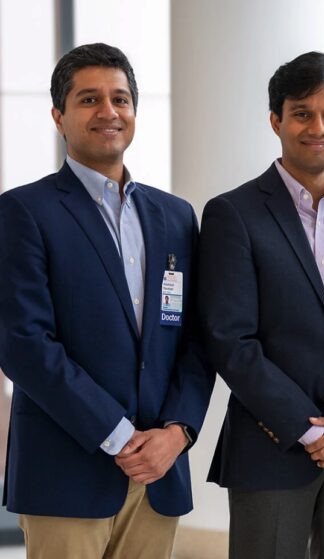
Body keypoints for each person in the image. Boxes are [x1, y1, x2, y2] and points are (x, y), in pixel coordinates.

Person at [0, 43, 214, 559]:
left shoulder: (176, 217)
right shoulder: (23, 211)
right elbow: (24, 343)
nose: (108, 112)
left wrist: (177, 433)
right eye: (89, 99)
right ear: (59, 116)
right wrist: (118, 436)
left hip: (159, 471)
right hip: (66, 468)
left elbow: (199, 338)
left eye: (120, 99)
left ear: (134, 112)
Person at [197, 51, 324, 559]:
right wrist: (307, 430)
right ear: (276, 121)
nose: (318, 127)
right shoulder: (234, 214)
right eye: (302, 113)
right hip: (272, 449)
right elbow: (231, 341)